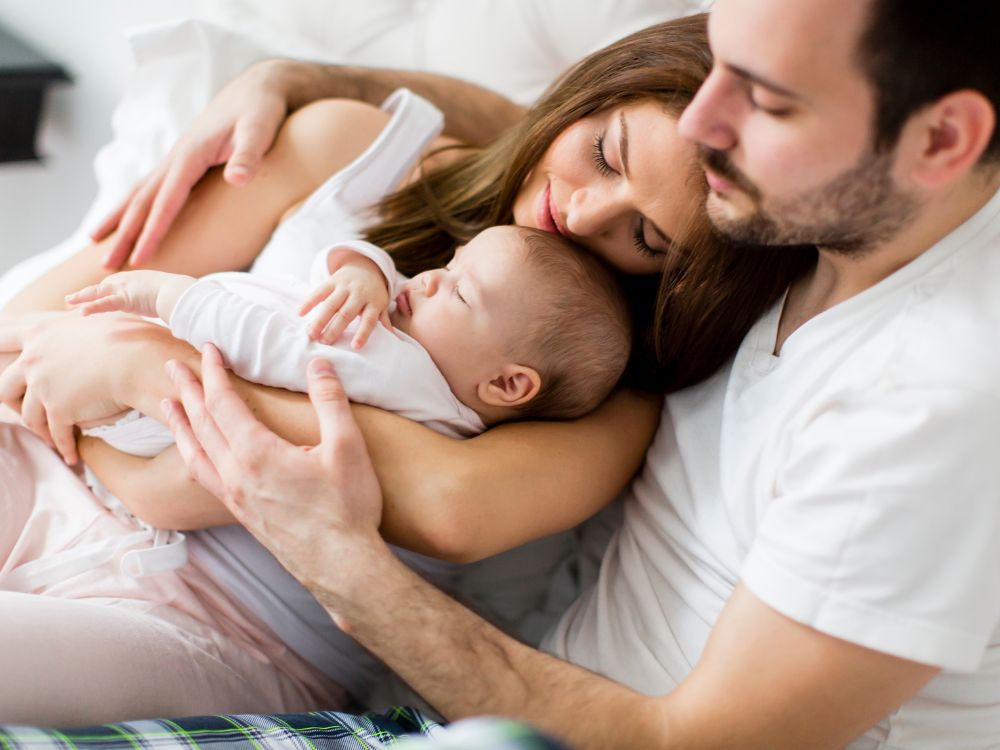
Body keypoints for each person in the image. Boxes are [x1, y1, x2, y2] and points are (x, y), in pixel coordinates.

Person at [11, 0, 995, 748]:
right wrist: (301, 75)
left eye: (765, 101)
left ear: (943, 141)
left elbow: (445, 506)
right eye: (720, 76)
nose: (709, 123)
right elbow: (576, 132)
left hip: (228, 622)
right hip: (65, 471)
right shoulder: (756, 193)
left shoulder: (632, 370)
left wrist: (151, 368)